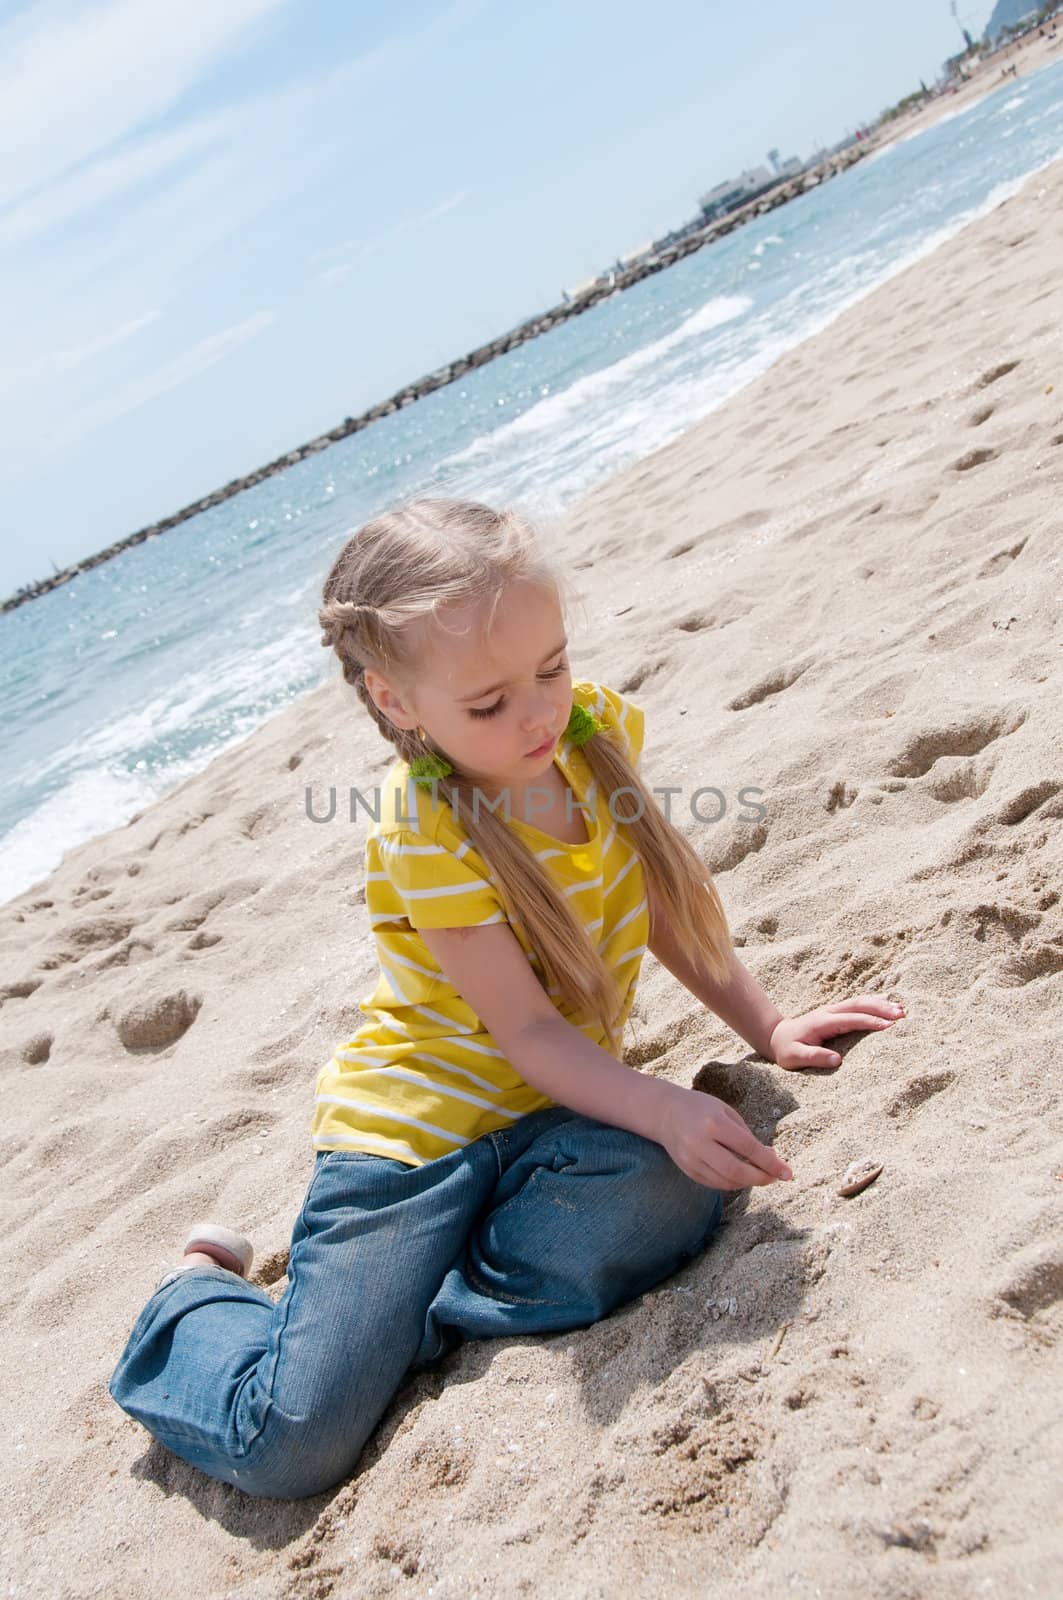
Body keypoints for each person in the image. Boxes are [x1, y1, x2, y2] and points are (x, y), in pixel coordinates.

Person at [108, 497, 905, 1500]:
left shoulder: (591, 732)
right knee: (292, 1445)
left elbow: (655, 898)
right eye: (487, 703)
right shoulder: (423, 828)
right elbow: (527, 1030)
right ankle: (194, 1298)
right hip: (412, 1144)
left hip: (547, 1123)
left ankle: (408, 1314)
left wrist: (768, 1025)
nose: (537, 714)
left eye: (551, 667)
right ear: (396, 702)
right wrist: (659, 1100)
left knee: (669, 1190)